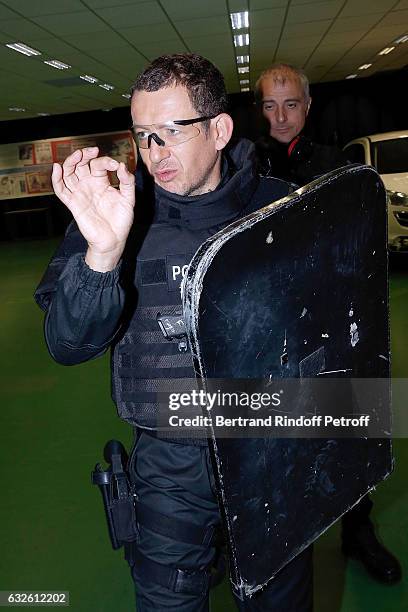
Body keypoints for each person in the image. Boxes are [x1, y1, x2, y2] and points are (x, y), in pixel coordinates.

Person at [35, 54, 313, 611]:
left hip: (270, 451)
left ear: (219, 129)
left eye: (170, 133)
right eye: (143, 137)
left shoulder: (284, 209)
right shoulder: (116, 216)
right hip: (169, 467)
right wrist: (104, 254)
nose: (155, 154)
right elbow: (66, 344)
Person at [254, 62, 401, 585]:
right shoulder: (244, 167)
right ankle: (268, 538)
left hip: (329, 323)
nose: (280, 116)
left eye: (290, 104)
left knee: (350, 428)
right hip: (269, 332)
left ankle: (357, 531)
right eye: (269, 105)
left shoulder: (337, 166)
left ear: (307, 106)